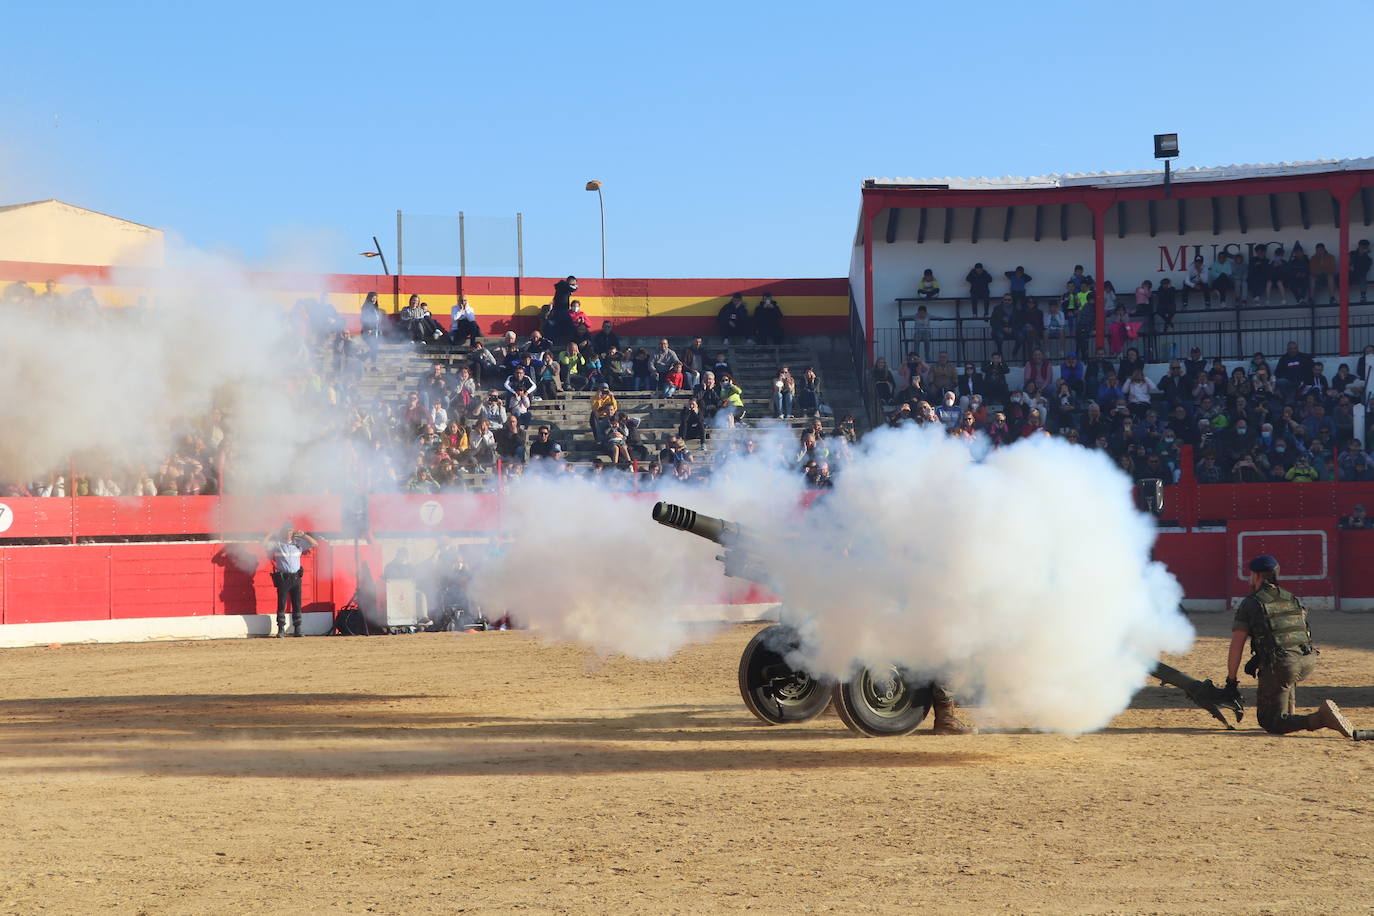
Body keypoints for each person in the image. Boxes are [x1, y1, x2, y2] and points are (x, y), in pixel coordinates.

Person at [1224, 555, 1358, 737]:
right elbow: (1291, 637)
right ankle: (1290, 711)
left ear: (1255, 576)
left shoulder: (1252, 602)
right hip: (1307, 661)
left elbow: (1236, 645)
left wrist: (1231, 681)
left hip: (1284, 666)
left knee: (1270, 722)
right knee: (1284, 663)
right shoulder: (1290, 597)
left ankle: (1321, 718)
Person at [262, 524, 318, 637]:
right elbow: (264, 544)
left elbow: (315, 544)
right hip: (284, 578)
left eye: (290, 530)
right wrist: (271, 534)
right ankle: (281, 629)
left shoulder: (298, 543)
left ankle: (298, 629)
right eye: (287, 531)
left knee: (297, 603)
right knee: (281, 603)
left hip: (296, 577)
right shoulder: (278, 544)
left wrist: (304, 535)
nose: (289, 533)